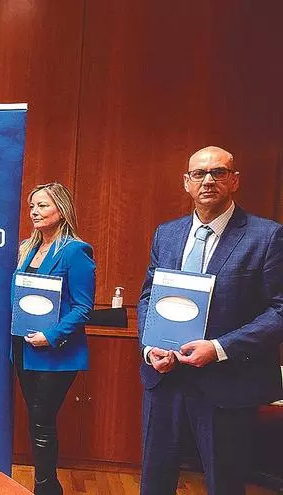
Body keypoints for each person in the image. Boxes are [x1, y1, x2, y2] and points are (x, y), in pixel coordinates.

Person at [137, 146, 283, 495]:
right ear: (186, 182)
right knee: (154, 483)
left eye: (218, 172)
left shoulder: (267, 236)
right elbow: (148, 297)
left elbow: (279, 310)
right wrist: (150, 346)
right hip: (166, 376)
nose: (208, 180)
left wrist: (218, 348)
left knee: (224, 484)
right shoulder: (167, 234)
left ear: (234, 181)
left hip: (228, 382)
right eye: (198, 174)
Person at [11, 182, 95, 495]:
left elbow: (83, 307)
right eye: (32, 206)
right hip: (23, 348)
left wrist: (51, 335)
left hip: (55, 352)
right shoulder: (26, 248)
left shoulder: (75, 250)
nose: (35, 212)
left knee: (42, 420)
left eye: (43, 205)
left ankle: (45, 488)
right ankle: (49, 486)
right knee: (36, 420)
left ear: (61, 209)